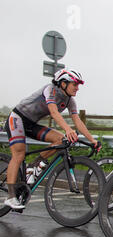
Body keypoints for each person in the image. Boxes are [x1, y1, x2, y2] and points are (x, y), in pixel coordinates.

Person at [4, 68, 101, 209]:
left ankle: (32, 166)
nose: (77, 88)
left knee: (61, 140)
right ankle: (11, 196)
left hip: (32, 124)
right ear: (63, 83)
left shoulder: (70, 101)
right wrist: (68, 129)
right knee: (18, 154)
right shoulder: (50, 90)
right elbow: (54, 112)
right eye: (75, 84)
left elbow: (77, 121)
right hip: (18, 119)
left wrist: (92, 140)